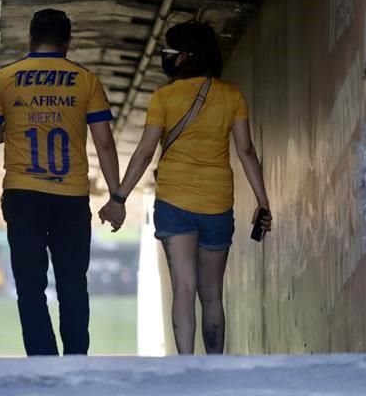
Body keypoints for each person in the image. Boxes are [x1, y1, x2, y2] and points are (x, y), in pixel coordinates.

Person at [100, 19, 272, 355]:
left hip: (174, 202)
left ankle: (185, 367)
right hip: (217, 203)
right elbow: (247, 151)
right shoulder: (232, 95)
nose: (166, 56)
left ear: (186, 56)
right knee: (211, 293)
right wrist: (262, 202)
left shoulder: (164, 97)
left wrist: (120, 196)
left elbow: (146, 150)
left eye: (170, 51)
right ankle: (215, 367)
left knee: (183, 287)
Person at [0, 8, 121, 356]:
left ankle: (42, 361)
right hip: (70, 196)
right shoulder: (86, 80)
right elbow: (104, 142)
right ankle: (76, 359)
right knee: (73, 284)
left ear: (30, 38)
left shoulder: (5, 78)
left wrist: (17, 129)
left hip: (23, 195)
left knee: (30, 286)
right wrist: (116, 198)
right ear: (68, 42)